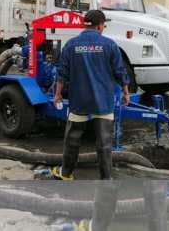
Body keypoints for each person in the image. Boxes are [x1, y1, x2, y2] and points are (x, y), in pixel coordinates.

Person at [52, 10, 130, 180]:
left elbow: (62, 73)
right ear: (100, 25)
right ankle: (106, 178)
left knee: (72, 140)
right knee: (104, 143)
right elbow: (120, 72)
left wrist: (57, 95)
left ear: (85, 24)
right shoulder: (110, 45)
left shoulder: (71, 44)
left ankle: (66, 173)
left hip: (79, 100)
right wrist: (126, 92)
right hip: (102, 101)